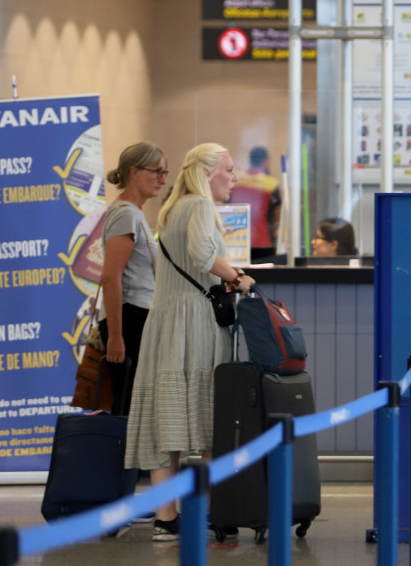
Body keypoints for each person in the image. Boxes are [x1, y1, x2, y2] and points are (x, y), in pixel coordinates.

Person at [124, 143, 255, 541]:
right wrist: (237, 277)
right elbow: (201, 255)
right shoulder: (198, 206)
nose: (235, 178)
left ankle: (167, 518)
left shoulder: (173, 208)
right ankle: (218, 513)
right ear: (208, 172)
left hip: (164, 324)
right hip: (194, 323)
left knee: (168, 423)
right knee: (208, 419)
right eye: (230, 170)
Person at [98, 142, 167, 415]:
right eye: (157, 172)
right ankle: (123, 458)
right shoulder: (126, 214)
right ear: (134, 172)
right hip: (128, 319)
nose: (162, 179)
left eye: (165, 172)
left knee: (135, 405)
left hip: (136, 317)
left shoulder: (134, 213)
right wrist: (115, 336)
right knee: (128, 406)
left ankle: (130, 457)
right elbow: (110, 277)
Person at [228, 145, 281, 260]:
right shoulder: (271, 183)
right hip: (262, 240)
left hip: (235, 239)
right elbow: (277, 215)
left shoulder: (236, 179)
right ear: (266, 160)